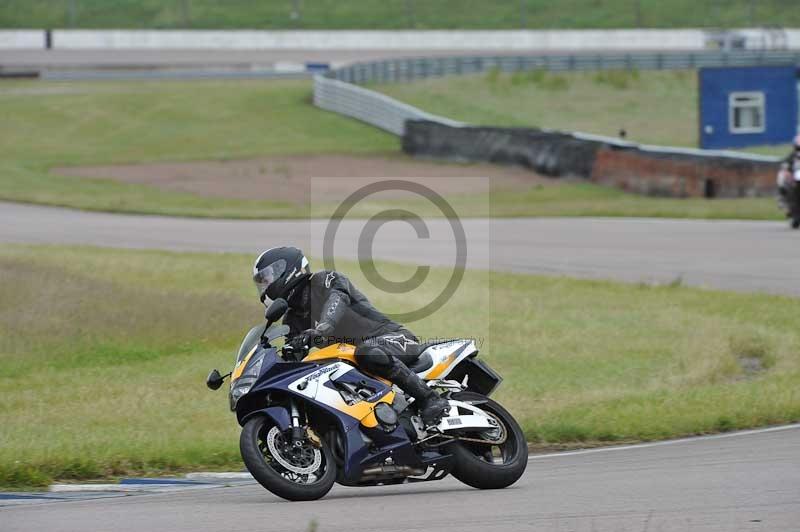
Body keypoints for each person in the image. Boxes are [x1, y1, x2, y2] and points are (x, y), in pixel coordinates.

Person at [252, 246, 450, 426]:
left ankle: (431, 399)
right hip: (357, 363)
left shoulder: (324, 280)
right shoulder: (292, 320)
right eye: (261, 283)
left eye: (266, 278)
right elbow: (295, 360)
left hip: (395, 338)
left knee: (367, 352)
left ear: (287, 269)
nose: (264, 286)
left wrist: (322, 329)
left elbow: (337, 300)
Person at [777, 135, 800, 213]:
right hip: (793, 175)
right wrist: (786, 169)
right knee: (781, 174)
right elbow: (785, 162)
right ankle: (782, 196)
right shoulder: (792, 155)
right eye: (798, 148)